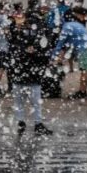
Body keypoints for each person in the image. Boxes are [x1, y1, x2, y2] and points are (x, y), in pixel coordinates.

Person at [7, 7, 53, 135]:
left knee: (19, 102)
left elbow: (12, 49)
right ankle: (37, 124)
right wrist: (36, 53)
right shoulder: (41, 31)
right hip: (33, 74)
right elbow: (45, 53)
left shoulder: (18, 31)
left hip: (19, 73)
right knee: (36, 103)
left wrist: (24, 52)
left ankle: (20, 122)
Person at [52, 8, 87, 99]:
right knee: (85, 69)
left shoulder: (66, 27)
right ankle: (83, 91)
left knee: (84, 70)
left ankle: (82, 92)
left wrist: (53, 57)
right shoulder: (76, 25)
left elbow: (60, 44)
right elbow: (67, 44)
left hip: (85, 49)